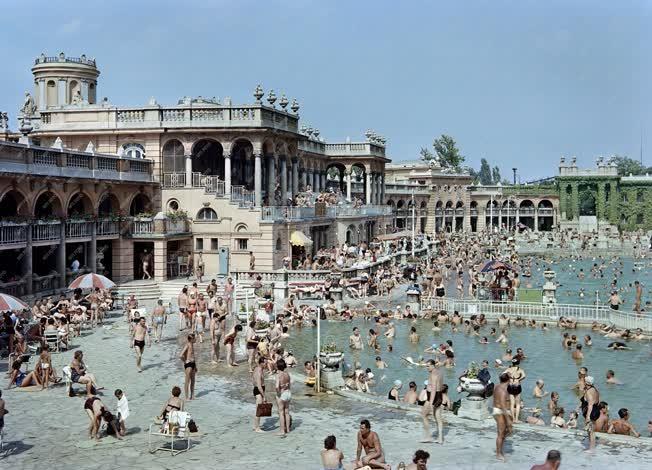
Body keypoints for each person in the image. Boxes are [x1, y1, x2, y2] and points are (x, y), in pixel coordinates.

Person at [424, 359, 444, 444]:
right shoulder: (439, 372)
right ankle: (440, 439)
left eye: (428, 366)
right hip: (439, 395)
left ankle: (428, 437)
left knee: (424, 415)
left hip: (432, 396)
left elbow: (433, 389)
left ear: (433, 365)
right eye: (426, 366)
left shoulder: (433, 374)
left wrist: (431, 403)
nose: (427, 368)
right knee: (438, 418)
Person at [493, 373, 512, 461]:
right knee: (501, 434)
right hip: (501, 412)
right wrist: (508, 420)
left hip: (499, 411)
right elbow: (503, 405)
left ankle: (499, 450)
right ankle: (498, 453)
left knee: (505, 432)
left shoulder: (497, 386)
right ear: (508, 380)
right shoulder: (503, 390)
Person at [580, 375, 600, 450]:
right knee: (591, 431)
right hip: (596, 410)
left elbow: (590, 405)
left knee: (591, 432)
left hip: (591, 412)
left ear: (587, 382)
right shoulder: (595, 390)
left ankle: (592, 449)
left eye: (585, 382)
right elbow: (598, 401)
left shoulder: (589, 392)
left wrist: (588, 417)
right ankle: (591, 446)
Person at [275, 358, 292, 437]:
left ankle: (282, 430)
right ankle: (288, 429)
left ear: (277, 367)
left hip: (282, 394)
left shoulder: (278, 375)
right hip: (288, 393)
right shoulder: (287, 374)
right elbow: (289, 385)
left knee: (281, 412)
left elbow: (276, 386)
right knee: (287, 412)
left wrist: (278, 392)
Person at [180, 334, 197, 400]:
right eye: (194, 338)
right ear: (191, 339)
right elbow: (180, 355)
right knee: (187, 381)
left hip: (193, 364)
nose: (196, 339)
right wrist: (185, 361)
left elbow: (193, 356)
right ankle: (186, 397)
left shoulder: (192, 345)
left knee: (193, 381)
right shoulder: (187, 345)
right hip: (188, 365)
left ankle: (192, 396)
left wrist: (195, 366)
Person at [252, 357, 267, 433]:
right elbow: (259, 385)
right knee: (259, 410)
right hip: (258, 391)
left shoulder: (257, 369)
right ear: (261, 363)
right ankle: (257, 428)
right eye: (265, 363)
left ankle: (255, 426)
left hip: (257, 390)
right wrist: (264, 396)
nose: (266, 364)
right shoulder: (259, 371)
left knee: (258, 409)